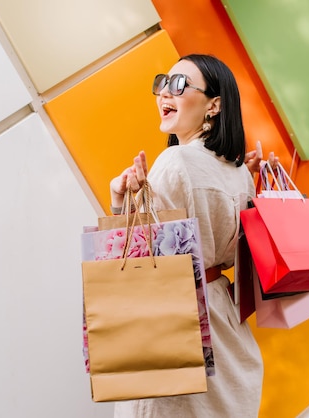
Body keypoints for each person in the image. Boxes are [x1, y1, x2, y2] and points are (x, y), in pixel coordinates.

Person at [110, 54, 277, 417]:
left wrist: (120, 200)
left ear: (214, 105)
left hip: (178, 321)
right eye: (162, 84)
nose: (165, 94)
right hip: (227, 326)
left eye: (180, 85)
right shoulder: (238, 171)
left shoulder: (175, 162)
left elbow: (141, 260)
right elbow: (234, 255)